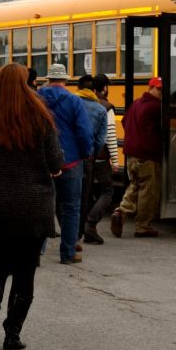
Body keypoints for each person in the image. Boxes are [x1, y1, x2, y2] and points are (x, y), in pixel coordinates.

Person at [0, 63, 63, 350]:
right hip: (33, 207)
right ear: (26, 83)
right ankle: (12, 334)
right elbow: (55, 162)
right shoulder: (39, 116)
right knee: (25, 271)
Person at [38, 63, 94, 263]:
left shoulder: (36, 100)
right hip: (70, 162)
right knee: (71, 207)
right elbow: (84, 131)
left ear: (48, 79)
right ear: (66, 80)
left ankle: (36, 253)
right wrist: (86, 153)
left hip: (42, 162)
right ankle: (68, 253)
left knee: (44, 207)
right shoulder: (74, 100)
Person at [111, 76, 163, 238]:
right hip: (147, 154)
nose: (161, 93)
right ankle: (143, 226)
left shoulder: (136, 103)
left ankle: (121, 212)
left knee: (135, 184)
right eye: (159, 89)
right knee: (149, 190)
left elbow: (125, 121)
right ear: (151, 88)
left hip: (131, 153)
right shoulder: (156, 107)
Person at [83, 74, 119, 244]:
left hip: (84, 155)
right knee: (107, 191)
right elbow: (109, 135)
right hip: (100, 156)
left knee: (88, 192)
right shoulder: (107, 107)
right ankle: (90, 224)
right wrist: (115, 160)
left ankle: (86, 229)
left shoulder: (83, 103)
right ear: (105, 88)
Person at [74, 75, 107, 245]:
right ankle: (76, 235)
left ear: (78, 88)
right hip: (87, 157)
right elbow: (101, 139)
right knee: (82, 197)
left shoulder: (71, 103)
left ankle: (69, 232)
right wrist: (91, 151)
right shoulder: (100, 109)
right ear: (94, 90)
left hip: (68, 155)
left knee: (62, 198)